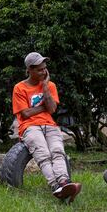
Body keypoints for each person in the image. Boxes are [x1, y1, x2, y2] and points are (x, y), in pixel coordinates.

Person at [12, 52, 82, 203]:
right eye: (39, 69)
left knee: (57, 152)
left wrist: (44, 88)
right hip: (29, 126)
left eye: (45, 68)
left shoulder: (50, 85)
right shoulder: (19, 88)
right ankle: (56, 187)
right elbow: (25, 114)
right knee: (43, 154)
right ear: (29, 69)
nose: (43, 72)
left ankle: (64, 183)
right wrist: (43, 107)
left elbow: (51, 109)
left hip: (49, 125)